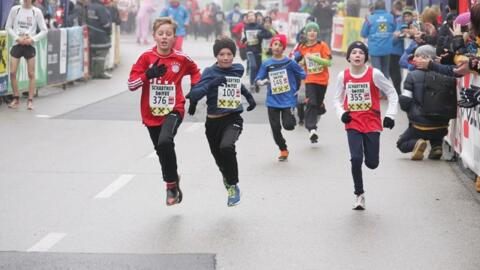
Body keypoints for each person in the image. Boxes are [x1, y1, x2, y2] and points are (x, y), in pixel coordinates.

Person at [127, 17, 201, 206]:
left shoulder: (181, 58)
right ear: (154, 36)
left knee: (165, 141)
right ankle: (173, 179)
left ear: (174, 37)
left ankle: (170, 187)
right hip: (151, 114)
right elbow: (131, 84)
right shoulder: (146, 58)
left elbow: (196, 71)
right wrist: (148, 75)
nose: (164, 37)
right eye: (161, 34)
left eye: (168, 34)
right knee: (162, 149)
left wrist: (194, 91)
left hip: (174, 109)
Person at [186, 37, 256, 206]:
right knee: (220, 160)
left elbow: (238, 85)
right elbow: (195, 94)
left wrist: (249, 98)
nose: (225, 58)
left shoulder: (237, 69)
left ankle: (233, 186)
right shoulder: (210, 72)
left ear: (234, 55)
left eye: (229, 54)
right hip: (212, 123)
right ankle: (227, 176)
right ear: (216, 56)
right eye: (221, 54)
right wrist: (211, 84)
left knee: (227, 147)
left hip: (233, 118)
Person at [333, 41, 398, 210]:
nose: (357, 55)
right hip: (353, 122)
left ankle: (369, 163)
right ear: (348, 57)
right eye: (354, 52)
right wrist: (342, 114)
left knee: (372, 163)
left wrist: (390, 115)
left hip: (372, 123)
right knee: (356, 159)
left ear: (366, 57)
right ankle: (359, 194)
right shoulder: (343, 76)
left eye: (361, 52)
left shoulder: (374, 73)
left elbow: (391, 92)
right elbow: (336, 99)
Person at [397, 45, 454, 160]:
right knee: (436, 131)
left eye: (418, 56)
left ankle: (417, 143)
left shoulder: (412, 76)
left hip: (419, 126)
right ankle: (436, 147)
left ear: (428, 59)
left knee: (401, 144)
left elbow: (405, 101)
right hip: (442, 126)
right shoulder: (445, 74)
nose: (415, 59)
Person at [255, 34, 306, 161]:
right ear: (271, 46)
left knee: (288, 125)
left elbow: (303, 74)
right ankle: (283, 149)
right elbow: (258, 77)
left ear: (284, 48)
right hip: (272, 100)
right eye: (275, 44)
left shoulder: (290, 62)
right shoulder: (267, 63)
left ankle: (292, 116)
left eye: (280, 45)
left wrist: (300, 89)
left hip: (288, 99)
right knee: (275, 128)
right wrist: (260, 82)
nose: (277, 47)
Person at [5, 0, 48, 110]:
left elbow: (44, 30)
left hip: (29, 45)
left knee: (31, 73)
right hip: (17, 44)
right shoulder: (15, 9)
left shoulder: (36, 11)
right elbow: (8, 27)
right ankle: (16, 98)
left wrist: (32, 39)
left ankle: (30, 100)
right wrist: (17, 38)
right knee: (13, 72)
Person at [293, 22, 331, 143]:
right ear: (306, 33)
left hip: (322, 81)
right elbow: (298, 60)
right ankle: (312, 130)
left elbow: (328, 62)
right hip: (309, 79)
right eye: (309, 30)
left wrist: (313, 57)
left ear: (317, 33)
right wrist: (300, 61)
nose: (312, 32)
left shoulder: (323, 45)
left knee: (317, 103)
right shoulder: (302, 47)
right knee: (311, 103)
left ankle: (321, 107)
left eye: (314, 30)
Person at [360, 0, 395, 79]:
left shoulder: (370, 18)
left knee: (376, 72)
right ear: (385, 7)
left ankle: (378, 91)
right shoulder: (391, 17)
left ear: (375, 8)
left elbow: (363, 34)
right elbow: (394, 28)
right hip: (387, 49)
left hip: (374, 50)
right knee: (385, 72)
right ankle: (385, 90)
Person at [242, 11, 273, 92]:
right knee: (253, 66)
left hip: (258, 51)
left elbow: (269, 34)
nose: (251, 17)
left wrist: (260, 35)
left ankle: (256, 83)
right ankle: (252, 84)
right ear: (247, 18)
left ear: (255, 17)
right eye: (249, 16)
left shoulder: (259, 26)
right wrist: (244, 41)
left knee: (258, 68)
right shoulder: (245, 27)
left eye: (253, 15)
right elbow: (243, 39)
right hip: (249, 50)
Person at [87, 0, 113, 79]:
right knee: (101, 54)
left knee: (94, 55)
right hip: (101, 36)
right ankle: (100, 72)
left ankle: (93, 72)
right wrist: (109, 30)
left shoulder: (89, 7)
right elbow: (105, 23)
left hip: (91, 35)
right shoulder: (101, 8)